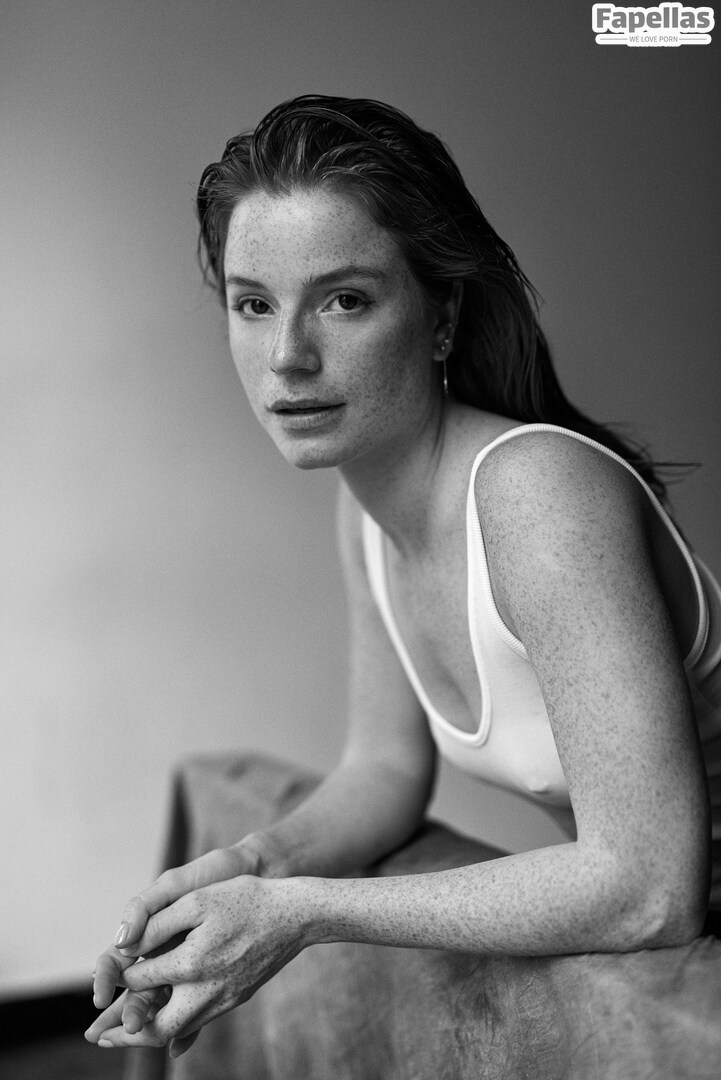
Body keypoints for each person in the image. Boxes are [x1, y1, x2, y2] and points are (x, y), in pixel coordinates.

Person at [85, 94, 720, 1059]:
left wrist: (305, 913)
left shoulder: (536, 494)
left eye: (344, 299)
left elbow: (646, 885)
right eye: (253, 304)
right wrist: (249, 869)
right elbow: (382, 770)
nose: (287, 356)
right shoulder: (367, 509)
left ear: (440, 316)